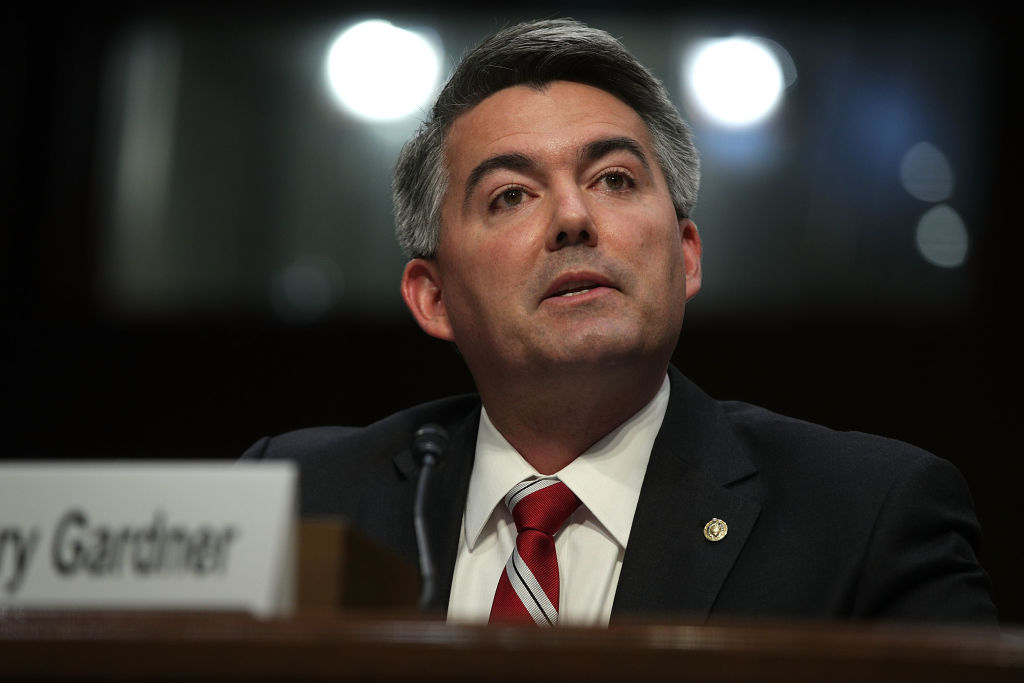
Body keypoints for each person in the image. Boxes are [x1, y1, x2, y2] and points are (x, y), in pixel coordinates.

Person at [242, 18, 997, 626]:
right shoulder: (297, 494)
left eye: (614, 179)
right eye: (510, 195)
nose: (573, 217)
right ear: (432, 296)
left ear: (688, 256)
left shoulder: (867, 515)